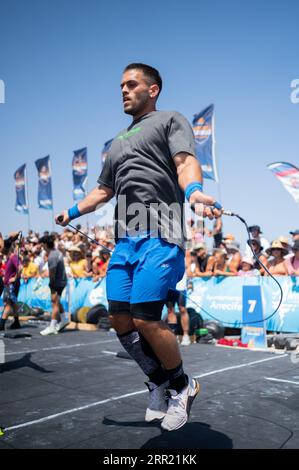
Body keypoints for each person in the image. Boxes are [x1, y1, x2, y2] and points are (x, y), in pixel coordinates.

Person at [56, 63, 221, 431]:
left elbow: (185, 162)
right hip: (124, 242)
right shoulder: (116, 142)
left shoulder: (170, 120)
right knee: (120, 319)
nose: (124, 91)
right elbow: (103, 191)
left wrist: (194, 191)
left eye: (132, 85)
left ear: (154, 89)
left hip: (160, 236)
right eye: (121, 86)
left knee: (146, 317)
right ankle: (159, 382)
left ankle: (183, 385)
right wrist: (70, 211)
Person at [39, 235, 69, 335]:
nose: (41, 246)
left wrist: (51, 285)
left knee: (54, 303)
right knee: (57, 301)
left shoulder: (52, 256)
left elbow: (52, 273)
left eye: (42, 244)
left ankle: (52, 326)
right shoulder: (56, 252)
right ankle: (64, 319)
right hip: (61, 280)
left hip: (58, 282)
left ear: (45, 244)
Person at [0, 238, 22, 331]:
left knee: (8, 303)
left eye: (2, 247)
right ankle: (16, 322)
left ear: (7, 248)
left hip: (11, 285)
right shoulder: (9, 258)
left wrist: (15, 278)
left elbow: (20, 268)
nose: (1, 249)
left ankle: (1, 324)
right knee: (13, 303)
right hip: (9, 285)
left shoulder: (13, 257)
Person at [166, 272, 191, 346]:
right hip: (169, 287)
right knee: (170, 310)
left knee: (182, 309)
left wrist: (190, 281)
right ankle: (173, 335)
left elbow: (189, 269)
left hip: (181, 287)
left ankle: (186, 335)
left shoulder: (183, 260)